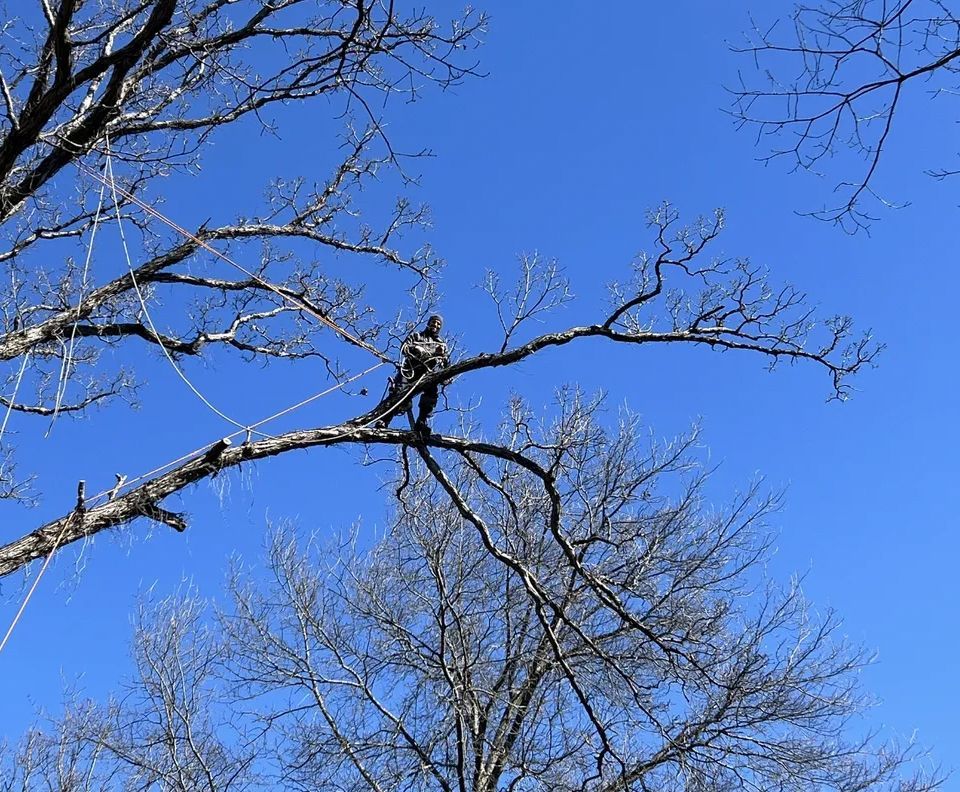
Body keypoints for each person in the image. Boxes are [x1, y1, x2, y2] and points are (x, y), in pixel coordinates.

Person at [376, 315, 449, 432]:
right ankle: (384, 420)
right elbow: (404, 348)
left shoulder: (441, 344)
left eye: (438, 324)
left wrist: (441, 356)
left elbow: (446, 366)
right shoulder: (416, 336)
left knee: (431, 393)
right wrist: (416, 349)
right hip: (410, 370)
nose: (435, 325)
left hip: (426, 374)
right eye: (433, 322)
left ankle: (421, 422)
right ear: (428, 323)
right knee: (397, 392)